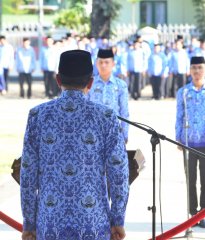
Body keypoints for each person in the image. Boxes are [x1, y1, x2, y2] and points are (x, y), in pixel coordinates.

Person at [20, 50, 129, 240]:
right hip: (93, 222)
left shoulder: (38, 115)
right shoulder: (105, 116)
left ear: (58, 80)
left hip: (49, 222)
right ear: (90, 82)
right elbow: (119, 172)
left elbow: (28, 174)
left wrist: (29, 223)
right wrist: (117, 220)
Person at [176, 56, 205, 228]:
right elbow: (179, 117)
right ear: (190, 70)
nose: (196, 71)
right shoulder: (184, 92)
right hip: (188, 140)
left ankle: (203, 213)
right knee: (190, 179)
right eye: (193, 67)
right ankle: (192, 214)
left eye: (200, 67)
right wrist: (178, 138)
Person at [87, 49, 130, 143]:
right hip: (93, 132)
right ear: (96, 64)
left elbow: (124, 111)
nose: (103, 65)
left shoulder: (120, 85)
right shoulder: (89, 84)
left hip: (114, 131)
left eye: (107, 62)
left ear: (113, 64)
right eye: (100, 62)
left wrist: (125, 134)